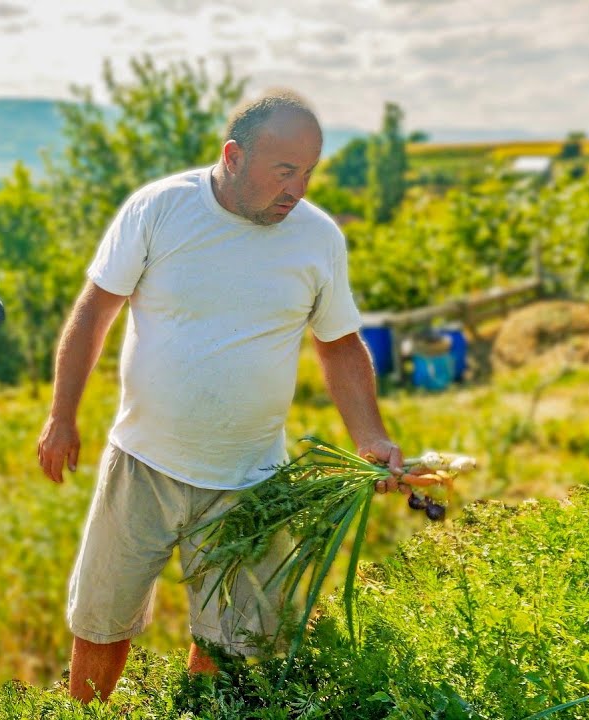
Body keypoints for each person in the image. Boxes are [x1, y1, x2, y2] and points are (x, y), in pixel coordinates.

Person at [36, 91, 406, 703]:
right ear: (233, 156)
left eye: (309, 171)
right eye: (284, 171)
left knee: (233, 645)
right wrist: (61, 417)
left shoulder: (317, 239)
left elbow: (339, 345)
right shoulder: (160, 209)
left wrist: (371, 437)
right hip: (143, 463)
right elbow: (95, 312)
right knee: (101, 623)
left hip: (252, 479)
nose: (299, 188)